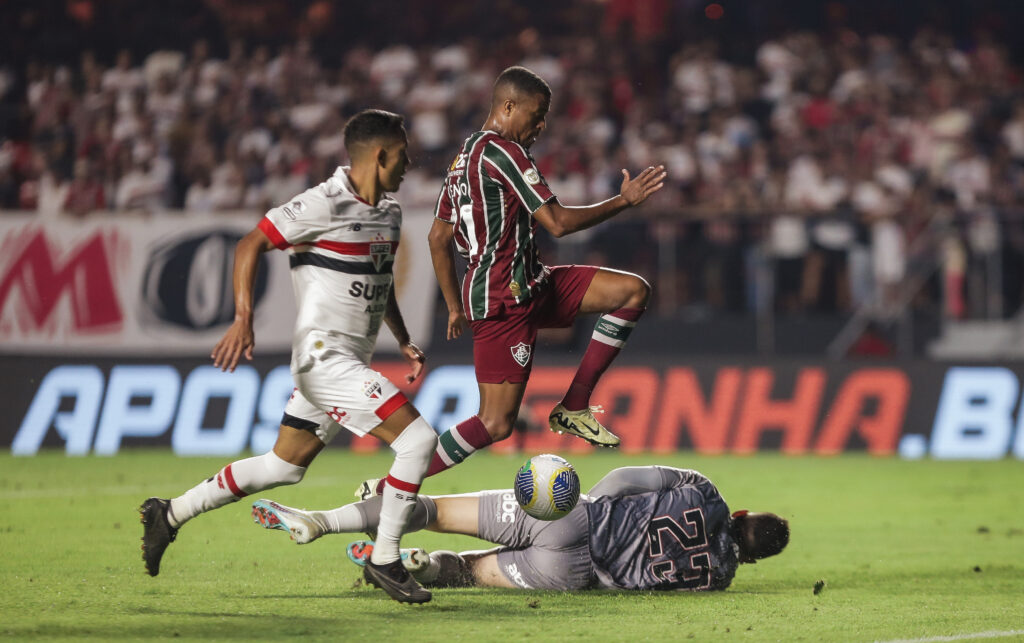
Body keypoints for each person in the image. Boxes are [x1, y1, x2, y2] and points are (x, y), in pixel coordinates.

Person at [139, 109, 439, 604]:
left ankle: (168, 514)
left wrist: (402, 338)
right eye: (403, 155)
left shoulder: (389, 213)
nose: (409, 165)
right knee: (418, 440)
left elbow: (380, 284)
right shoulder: (322, 203)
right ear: (380, 154)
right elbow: (249, 244)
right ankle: (384, 558)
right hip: (324, 360)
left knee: (285, 466)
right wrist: (242, 317)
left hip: (347, 362)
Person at [415, 65, 666, 486]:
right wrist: (622, 202)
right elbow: (558, 223)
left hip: (533, 282)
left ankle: (574, 405)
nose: (542, 124)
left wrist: (455, 306)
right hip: (502, 299)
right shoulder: (502, 151)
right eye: (537, 114)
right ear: (508, 106)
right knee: (495, 423)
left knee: (631, 291)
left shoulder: (463, 158)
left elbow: (438, 237)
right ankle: (397, 483)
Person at [250, 465, 790, 592]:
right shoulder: (717, 578)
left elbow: (630, 476)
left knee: (436, 509)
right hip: (573, 574)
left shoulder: (706, 493)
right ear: (754, 558)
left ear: (742, 515)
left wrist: (591, 506)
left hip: (572, 514)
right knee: (466, 573)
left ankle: (321, 521)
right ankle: (419, 565)